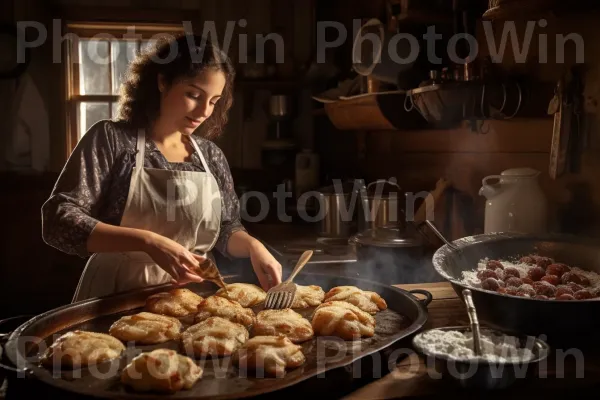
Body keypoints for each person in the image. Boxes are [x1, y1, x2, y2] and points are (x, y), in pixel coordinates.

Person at [41, 33, 283, 302]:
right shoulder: (112, 139)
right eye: (193, 95)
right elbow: (59, 220)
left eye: (214, 101)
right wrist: (148, 242)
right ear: (162, 82)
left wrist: (252, 245)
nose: (204, 111)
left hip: (191, 297)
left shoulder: (210, 155)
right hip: (116, 293)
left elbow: (225, 228)